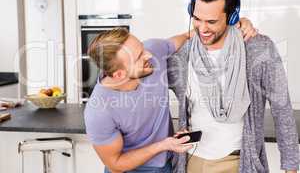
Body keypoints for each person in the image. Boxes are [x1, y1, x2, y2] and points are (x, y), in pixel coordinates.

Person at [84, 15, 257, 172]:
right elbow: (116, 164)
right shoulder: (98, 111)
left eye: (142, 47)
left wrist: (236, 24)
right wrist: (163, 145)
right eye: (139, 57)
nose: (149, 54)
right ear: (119, 75)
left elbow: (190, 34)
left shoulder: (153, 51)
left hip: (168, 164)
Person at [167, 0, 300, 173]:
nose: (202, 29)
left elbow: (282, 109)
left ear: (231, 17)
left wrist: (291, 167)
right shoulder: (183, 54)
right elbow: (138, 68)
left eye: (211, 21)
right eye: (196, 19)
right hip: (192, 161)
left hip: (238, 162)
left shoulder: (258, 49)